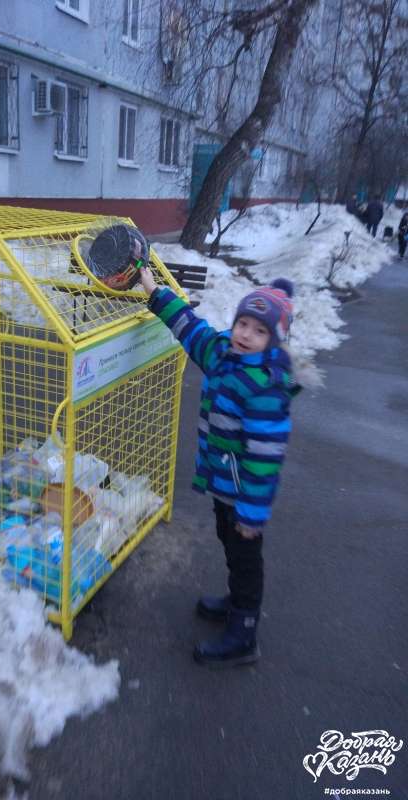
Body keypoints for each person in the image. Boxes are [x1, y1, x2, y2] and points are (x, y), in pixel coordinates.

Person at [139, 268, 299, 668]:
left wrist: (252, 514)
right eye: (242, 323)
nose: (245, 334)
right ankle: (236, 601)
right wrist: (154, 291)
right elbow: (190, 329)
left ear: (274, 339)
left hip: (245, 495)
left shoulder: (265, 386)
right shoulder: (224, 354)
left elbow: (265, 461)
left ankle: (244, 634)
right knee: (229, 542)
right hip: (226, 487)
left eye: (258, 331)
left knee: (245, 555)